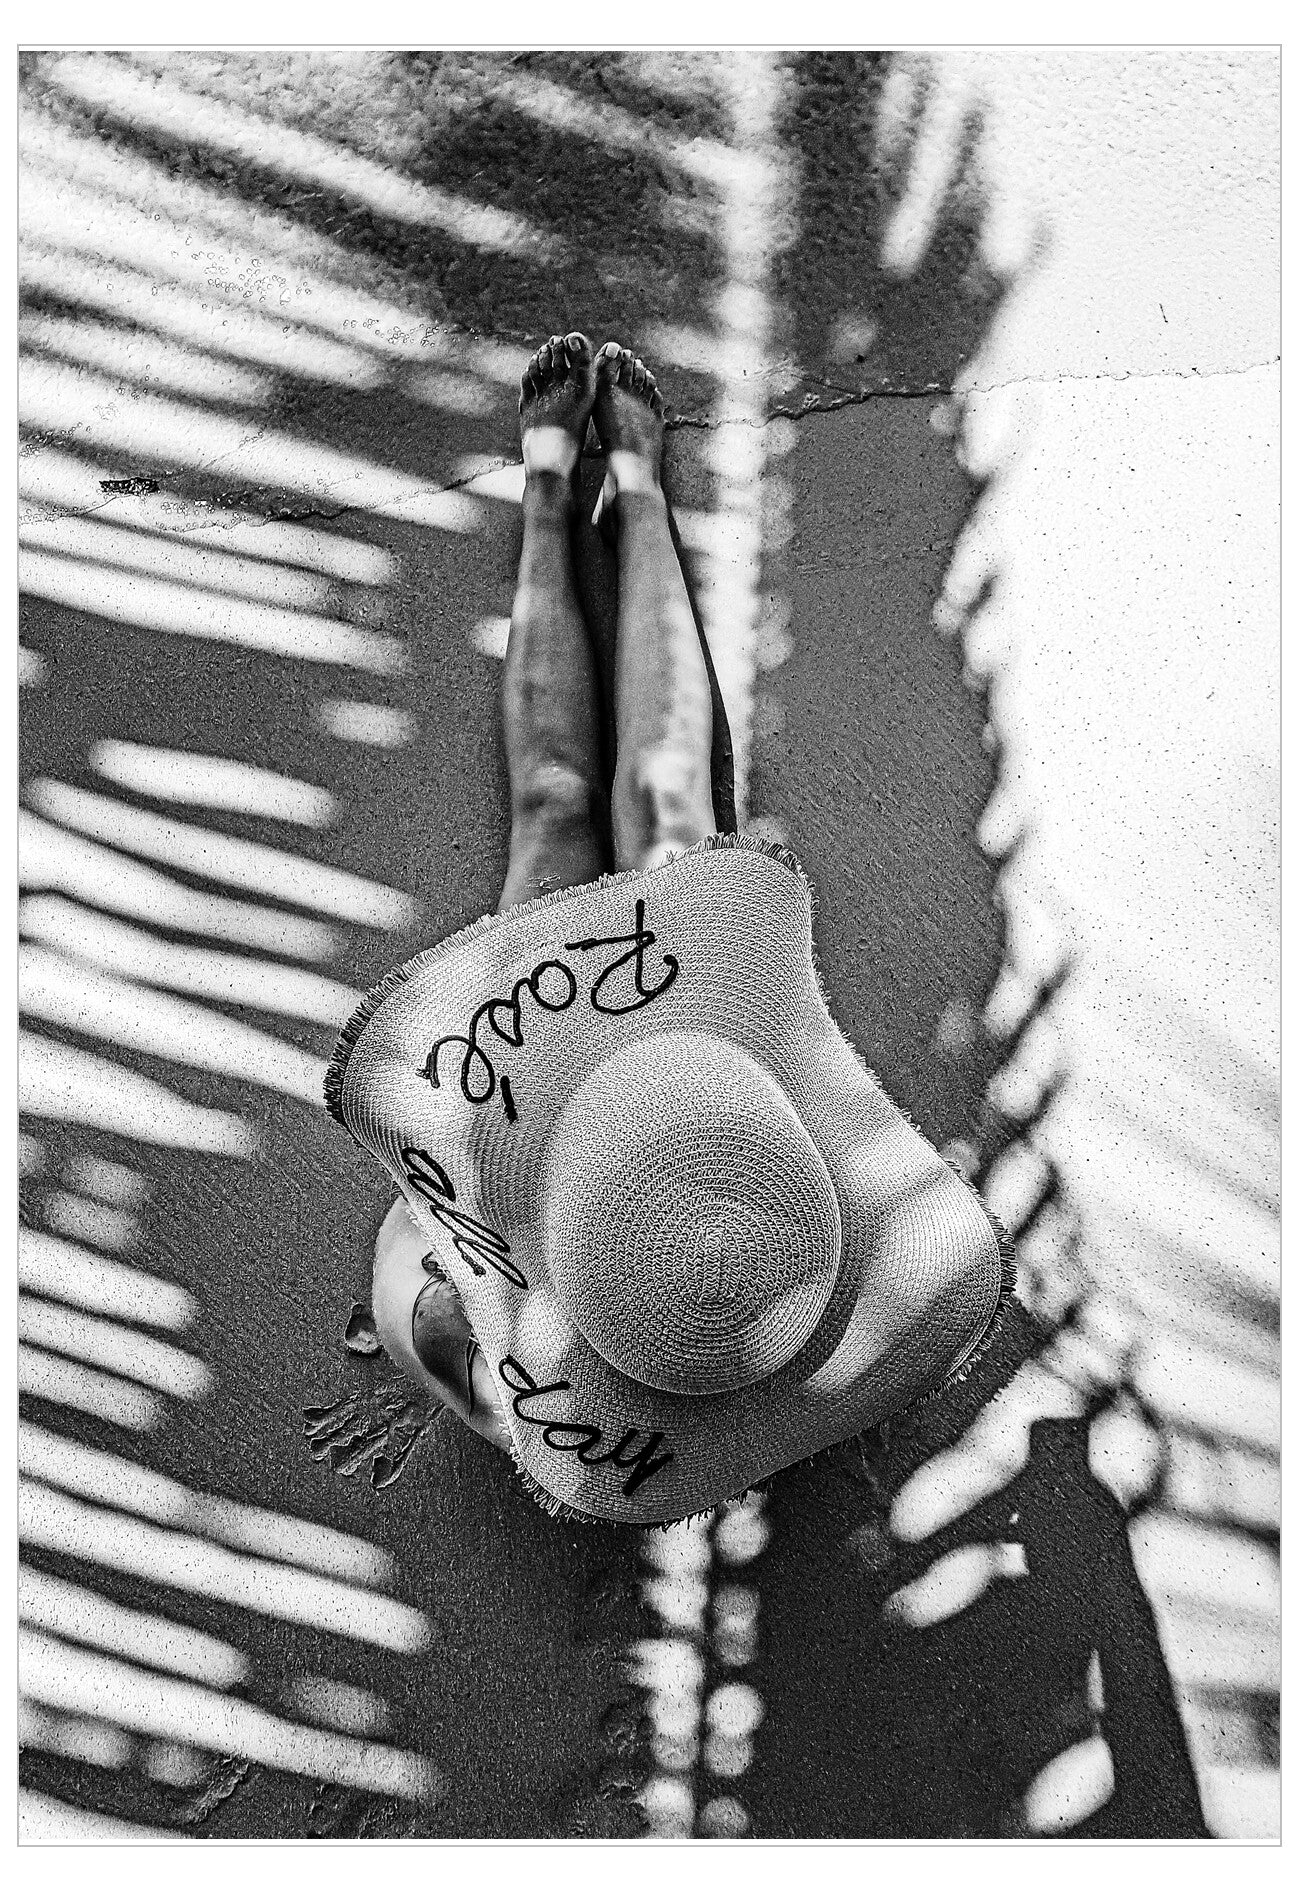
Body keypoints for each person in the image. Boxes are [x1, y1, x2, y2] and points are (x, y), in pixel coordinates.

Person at [371, 332, 719, 1452]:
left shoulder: (504, 1341)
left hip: (524, 1105)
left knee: (558, 808)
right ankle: (637, 494)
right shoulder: (736, 1305)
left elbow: (427, 1310)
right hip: (695, 1087)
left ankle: (545, 496)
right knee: (666, 804)